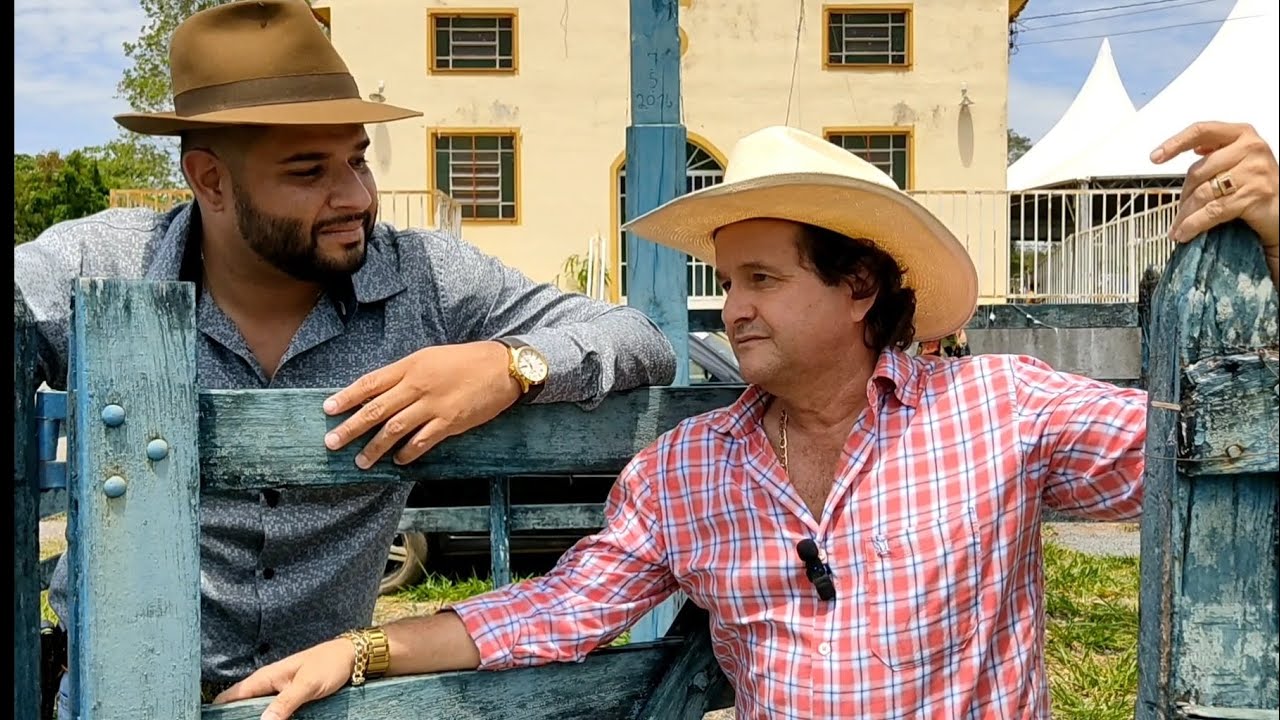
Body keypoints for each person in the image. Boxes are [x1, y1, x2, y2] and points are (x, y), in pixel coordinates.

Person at [215, 120, 1278, 720]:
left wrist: (1276, 238)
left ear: (859, 287)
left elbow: (1231, 442)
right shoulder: (689, 470)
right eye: (728, 280)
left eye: (762, 278)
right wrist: (359, 651)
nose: (735, 308)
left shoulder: (1000, 411)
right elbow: (558, 610)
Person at [16, 0, 677, 713]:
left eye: (358, 160)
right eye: (309, 172)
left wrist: (510, 364)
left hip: (326, 702)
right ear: (209, 180)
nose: (356, 197)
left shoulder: (426, 278)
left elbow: (639, 337)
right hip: (112, 699)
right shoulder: (101, 263)